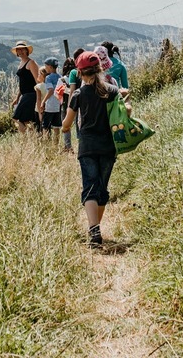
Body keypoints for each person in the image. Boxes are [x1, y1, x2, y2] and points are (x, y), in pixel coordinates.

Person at [61, 51, 123, 248]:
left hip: (87, 147)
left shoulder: (79, 94)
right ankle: (95, 228)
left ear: (79, 72)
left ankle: (94, 231)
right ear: (100, 69)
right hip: (108, 146)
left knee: (90, 187)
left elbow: (67, 124)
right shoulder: (112, 91)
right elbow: (123, 111)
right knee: (102, 189)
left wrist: (63, 126)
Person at [9, 40, 42, 135]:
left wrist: (39, 97)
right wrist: (17, 97)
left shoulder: (31, 63)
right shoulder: (21, 64)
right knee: (26, 120)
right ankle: (31, 137)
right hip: (25, 95)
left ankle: (30, 137)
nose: (20, 52)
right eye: (18, 50)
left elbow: (37, 81)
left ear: (27, 50)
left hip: (31, 94)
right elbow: (22, 83)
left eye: (22, 49)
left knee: (18, 118)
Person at [40, 57, 63, 145]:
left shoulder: (48, 78)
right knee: (56, 126)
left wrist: (43, 102)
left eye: (46, 66)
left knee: (46, 126)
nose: (45, 68)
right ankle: (56, 144)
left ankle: (47, 144)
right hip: (58, 105)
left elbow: (50, 90)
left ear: (49, 66)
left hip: (49, 105)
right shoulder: (60, 77)